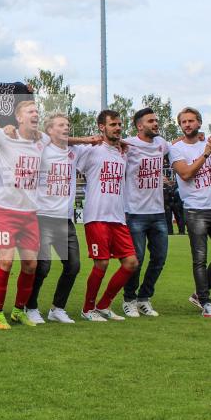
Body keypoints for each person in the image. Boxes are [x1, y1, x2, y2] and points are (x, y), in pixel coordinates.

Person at [75, 110, 138, 322]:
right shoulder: (90, 149)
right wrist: (83, 139)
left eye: (120, 124)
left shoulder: (124, 151)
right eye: (113, 124)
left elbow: (150, 142)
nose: (118, 128)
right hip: (97, 216)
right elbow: (58, 142)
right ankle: (87, 308)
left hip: (118, 217)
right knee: (101, 264)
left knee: (130, 263)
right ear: (102, 127)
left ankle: (103, 305)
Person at [169, 107, 211, 318]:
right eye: (183, 122)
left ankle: (200, 292)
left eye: (191, 121)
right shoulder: (176, 148)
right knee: (200, 259)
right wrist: (205, 154)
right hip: (195, 209)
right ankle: (206, 302)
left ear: (199, 123)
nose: (187, 125)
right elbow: (186, 174)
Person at [0, 100, 43, 329]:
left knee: (30, 264)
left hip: (29, 213)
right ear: (19, 118)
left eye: (37, 111)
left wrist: (89, 140)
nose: (35, 114)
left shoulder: (42, 140)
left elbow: (62, 140)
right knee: (6, 262)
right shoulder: (4, 136)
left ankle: (19, 310)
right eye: (30, 111)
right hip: (4, 211)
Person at [26, 113, 81, 325]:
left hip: (64, 220)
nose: (66, 127)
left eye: (68, 124)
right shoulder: (41, 150)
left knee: (73, 266)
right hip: (42, 217)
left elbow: (101, 143)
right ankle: (30, 307)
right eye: (61, 125)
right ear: (49, 130)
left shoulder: (75, 153)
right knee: (43, 267)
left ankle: (58, 308)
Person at [121, 108, 170, 318]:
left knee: (159, 258)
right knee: (136, 259)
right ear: (140, 125)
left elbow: (177, 145)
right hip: (135, 212)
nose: (156, 123)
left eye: (156, 120)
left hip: (159, 212)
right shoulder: (127, 144)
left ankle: (144, 298)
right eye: (151, 121)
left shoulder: (162, 144)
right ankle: (129, 299)